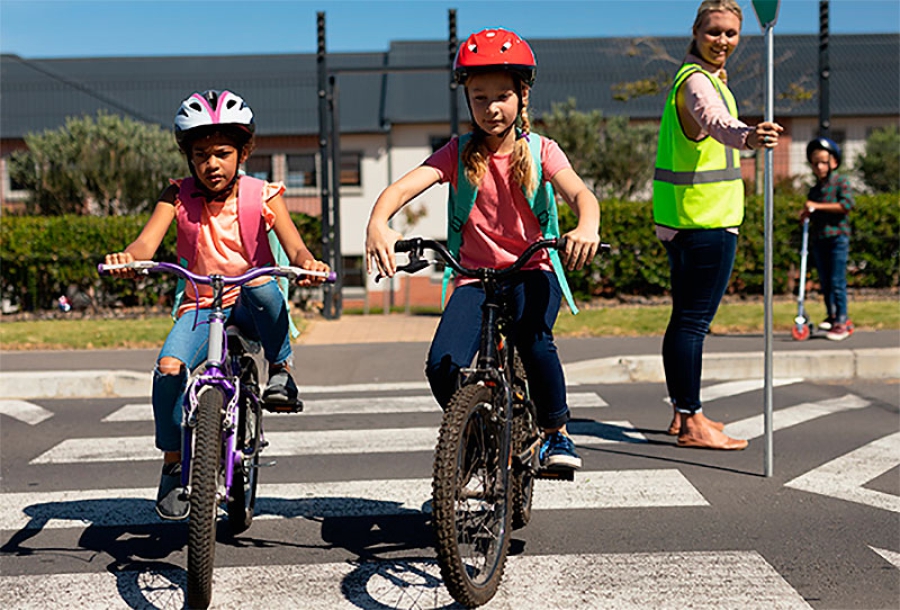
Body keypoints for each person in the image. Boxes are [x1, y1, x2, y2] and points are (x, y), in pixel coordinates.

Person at [365, 28, 601, 471]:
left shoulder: (541, 150)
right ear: (467, 100)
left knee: (533, 340)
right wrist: (378, 222)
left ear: (523, 96)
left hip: (533, 271)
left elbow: (580, 195)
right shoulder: (457, 153)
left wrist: (586, 224)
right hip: (475, 277)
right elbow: (400, 189)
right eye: (479, 97)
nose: (491, 108)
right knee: (442, 364)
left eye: (502, 96)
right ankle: (475, 434)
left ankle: (556, 434)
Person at [104, 90, 329, 519]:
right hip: (201, 304)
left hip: (249, 298)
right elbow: (144, 243)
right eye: (201, 154)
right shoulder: (176, 196)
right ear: (188, 157)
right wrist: (127, 260)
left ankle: (281, 372)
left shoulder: (263, 194)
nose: (212, 164)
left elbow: (295, 249)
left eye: (223, 153)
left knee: (263, 284)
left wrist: (309, 264)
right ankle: (172, 463)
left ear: (243, 152)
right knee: (169, 369)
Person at [652, 0, 783, 450]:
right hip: (706, 222)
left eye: (731, 33)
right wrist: (748, 136)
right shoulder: (698, 85)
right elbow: (715, 122)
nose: (723, 41)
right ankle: (692, 423)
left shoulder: (696, 79)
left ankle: (681, 412)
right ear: (696, 30)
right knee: (693, 323)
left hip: (682, 219)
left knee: (683, 321)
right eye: (714, 32)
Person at [800, 137, 855, 341]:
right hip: (820, 238)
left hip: (837, 238)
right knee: (825, 281)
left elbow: (846, 205)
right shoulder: (816, 189)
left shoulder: (841, 182)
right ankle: (832, 315)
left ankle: (843, 320)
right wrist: (806, 213)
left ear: (833, 162)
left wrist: (816, 206)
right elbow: (812, 209)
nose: (820, 167)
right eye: (816, 163)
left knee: (837, 280)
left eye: (824, 162)